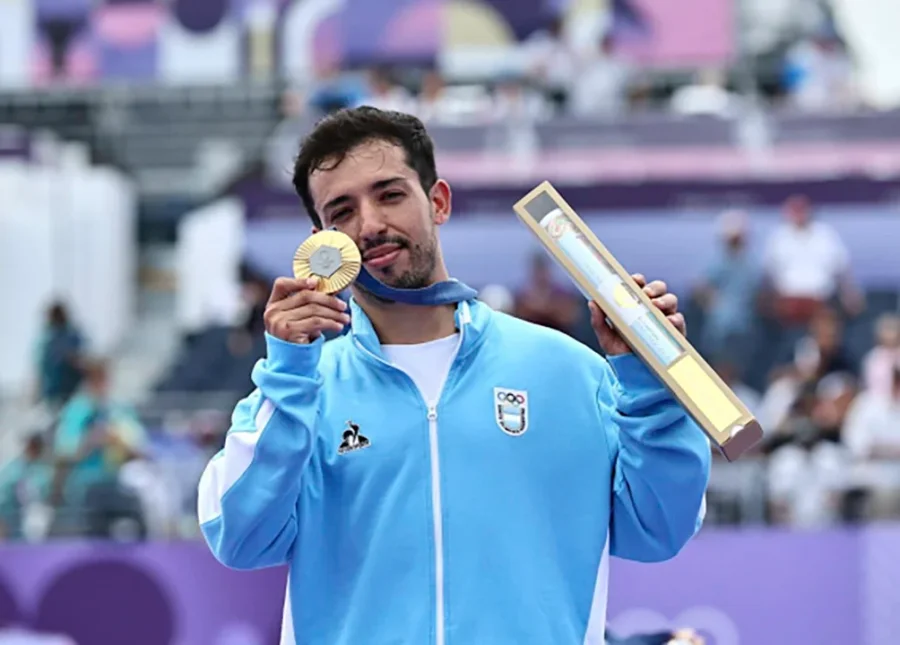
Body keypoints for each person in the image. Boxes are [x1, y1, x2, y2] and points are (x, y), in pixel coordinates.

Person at [197, 106, 711, 644]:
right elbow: (238, 538)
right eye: (342, 212)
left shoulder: (570, 372)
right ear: (322, 242)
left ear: (438, 201)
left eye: (390, 195)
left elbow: (660, 528)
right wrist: (289, 375)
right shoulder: (302, 390)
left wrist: (649, 388)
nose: (369, 225)